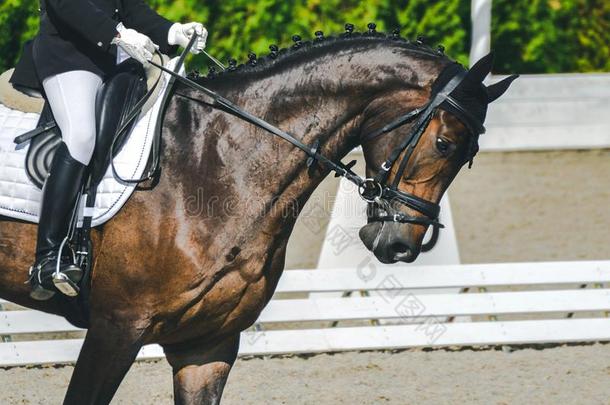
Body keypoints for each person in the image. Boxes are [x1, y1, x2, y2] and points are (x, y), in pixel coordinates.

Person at [9, 0, 207, 301]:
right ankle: (47, 258)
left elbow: (130, 8)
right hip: (68, 56)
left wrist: (173, 31)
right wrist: (118, 33)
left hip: (115, 62)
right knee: (81, 136)